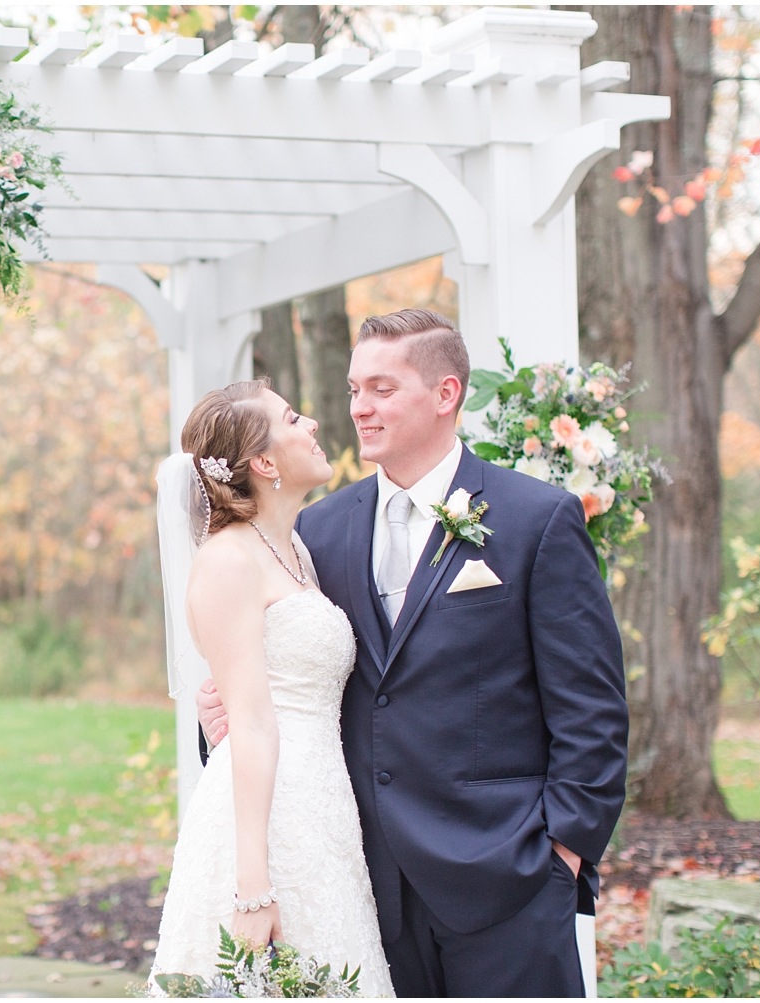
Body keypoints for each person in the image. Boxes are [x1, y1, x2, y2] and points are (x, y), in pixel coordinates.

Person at [195, 309, 628, 997]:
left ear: (446, 393)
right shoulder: (318, 529)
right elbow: (276, 671)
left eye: (382, 389)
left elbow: (593, 710)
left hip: (505, 883)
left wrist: (561, 856)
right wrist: (213, 714)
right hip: (363, 888)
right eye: (352, 390)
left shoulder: (535, 519)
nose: (359, 408)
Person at [149, 380, 395, 996]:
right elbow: (254, 723)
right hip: (264, 820)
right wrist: (253, 888)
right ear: (262, 462)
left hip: (320, 811)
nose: (311, 423)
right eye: (291, 418)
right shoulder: (228, 560)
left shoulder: (296, 554)